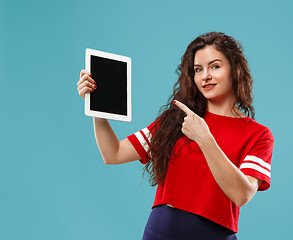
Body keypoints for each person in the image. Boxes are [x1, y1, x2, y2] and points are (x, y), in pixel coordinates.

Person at [77, 32, 274, 240]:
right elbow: (113, 153)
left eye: (215, 66)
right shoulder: (176, 119)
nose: (205, 75)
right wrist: (96, 106)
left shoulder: (258, 135)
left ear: (235, 69)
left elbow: (241, 194)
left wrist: (205, 139)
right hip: (161, 232)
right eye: (198, 69)